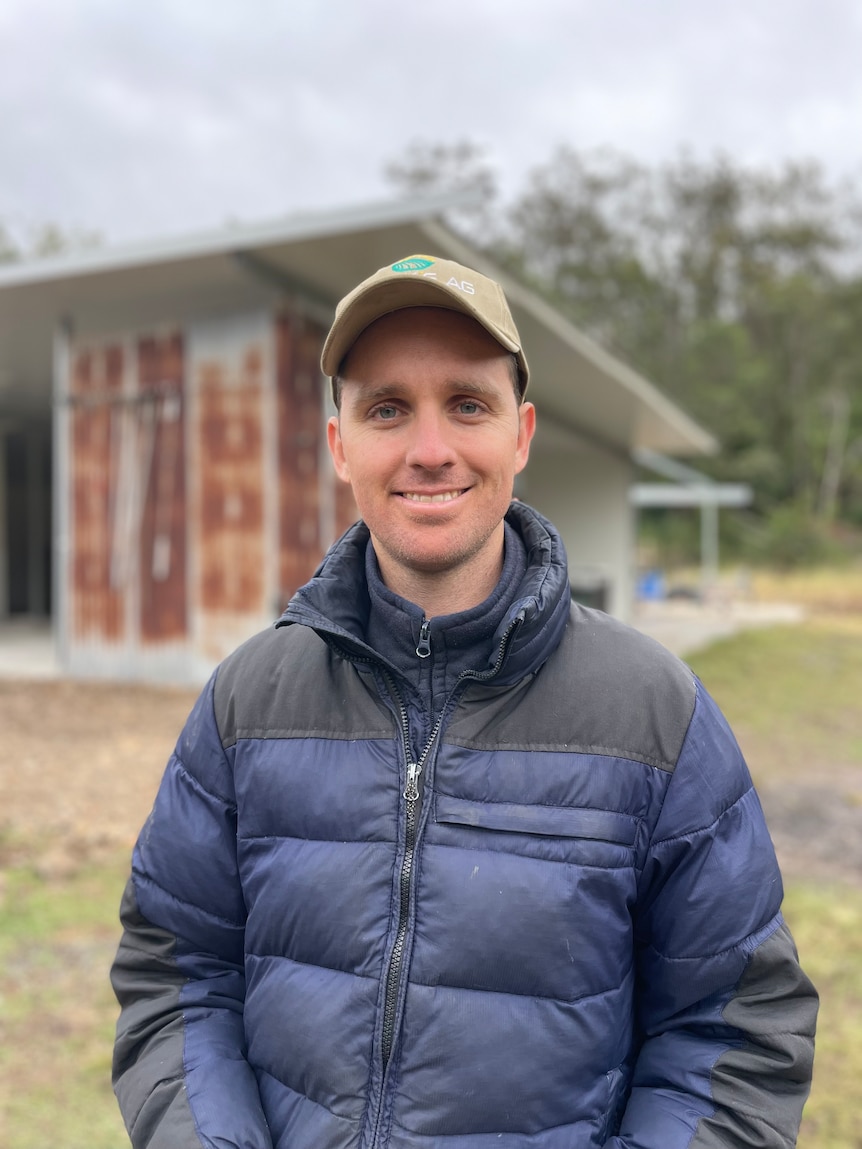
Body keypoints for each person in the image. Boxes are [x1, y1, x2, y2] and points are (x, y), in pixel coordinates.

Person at [111, 254, 817, 1149]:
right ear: (341, 445)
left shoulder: (653, 712)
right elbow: (179, 973)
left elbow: (736, 1029)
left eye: (467, 404)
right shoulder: (247, 700)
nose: (430, 448)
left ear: (521, 435)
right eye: (387, 408)